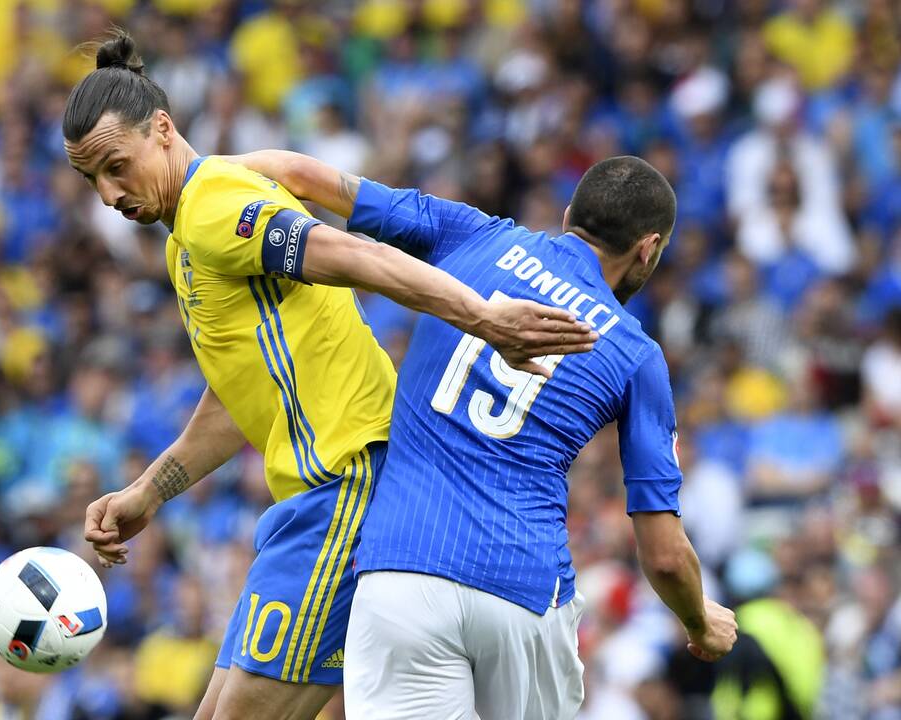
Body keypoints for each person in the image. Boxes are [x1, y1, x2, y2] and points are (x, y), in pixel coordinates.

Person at [63, 32, 594, 720]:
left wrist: (483, 318)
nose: (108, 195)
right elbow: (242, 393)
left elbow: (349, 254)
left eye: (116, 167)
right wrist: (151, 490)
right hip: (313, 504)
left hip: (347, 484)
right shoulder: (186, 239)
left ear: (162, 130)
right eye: (92, 180)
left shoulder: (215, 206)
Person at [238, 151, 739, 718]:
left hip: (403, 570)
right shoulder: (635, 354)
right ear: (648, 248)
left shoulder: (472, 233)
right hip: (523, 589)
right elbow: (666, 556)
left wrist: (189, 175)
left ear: (570, 212)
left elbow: (303, 176)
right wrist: (701, 619)